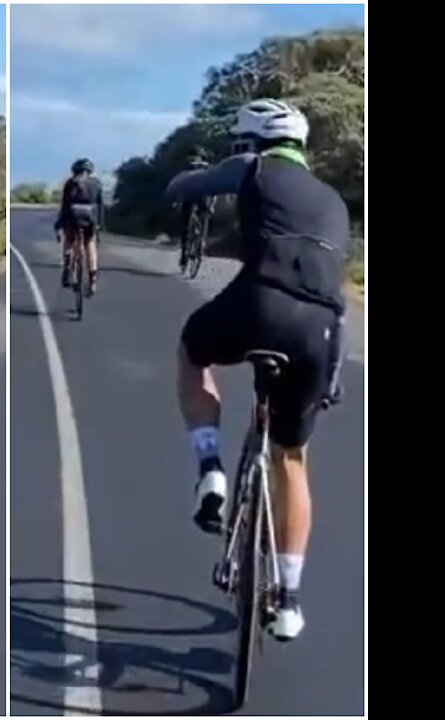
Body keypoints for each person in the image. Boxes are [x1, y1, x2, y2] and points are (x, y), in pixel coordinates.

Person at [163, 99, 348, 643]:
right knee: (293, 458)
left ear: (251, 142)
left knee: (192, 352)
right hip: (324, 328)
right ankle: (288, 599)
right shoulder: (333, 198)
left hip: (262, 301)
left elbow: (183, 188)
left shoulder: (253, 166)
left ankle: (211, 469)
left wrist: (188, 181)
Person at [54, 158, 104, 296]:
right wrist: (99, 224)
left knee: (69, 242)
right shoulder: (96, 184)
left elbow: (64, 206)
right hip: (90, 219)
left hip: (73, 218)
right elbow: (100, 206)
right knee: (91, 245)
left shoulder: (70, 183)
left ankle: (67, 269)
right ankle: (92, 278)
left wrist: (59, 225)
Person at [176, 151, 216, 271]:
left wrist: (178, 201)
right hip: (199, 196)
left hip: (195, 196)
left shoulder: (188, 170)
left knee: (186, 225)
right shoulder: (207, 169)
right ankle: (199, 243)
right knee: (202, 217)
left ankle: (188, 251)